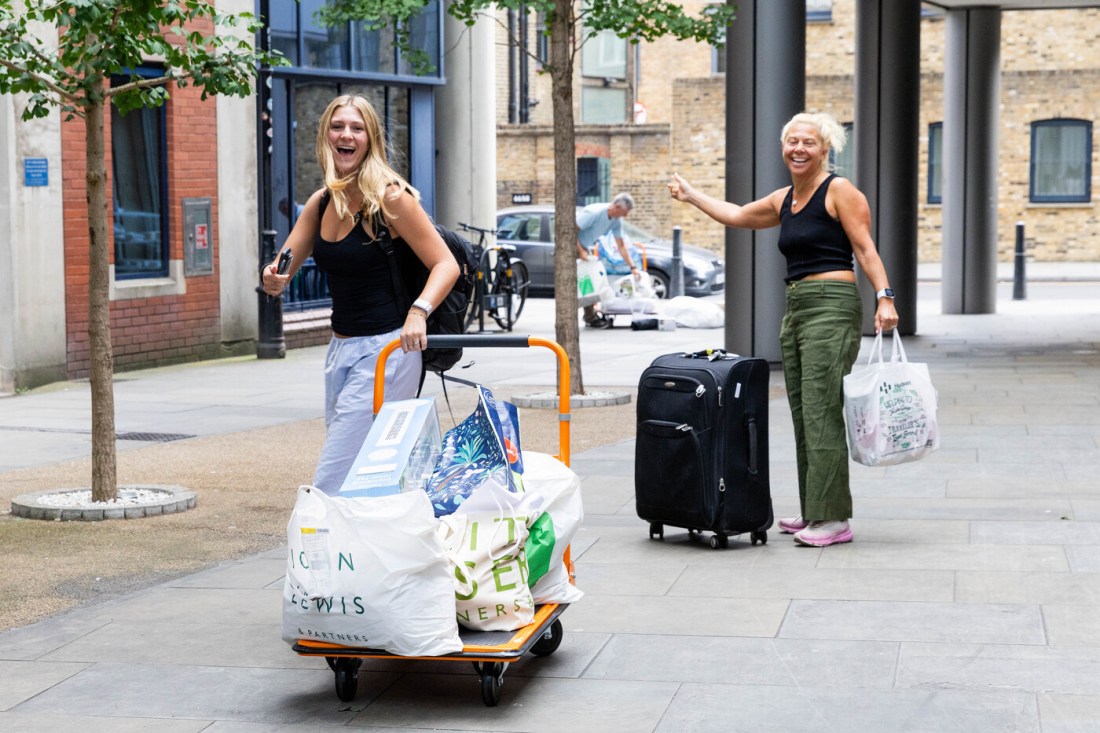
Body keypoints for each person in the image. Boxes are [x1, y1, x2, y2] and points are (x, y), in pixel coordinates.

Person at [668, 111, 899, 547]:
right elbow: (736, 215)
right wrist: (693, 195)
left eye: (808, 142)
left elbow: (865, 248)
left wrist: (885, 297)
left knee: (821, 410)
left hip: (832, 306)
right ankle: (815, 508)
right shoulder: (784, 199)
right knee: (802, 412)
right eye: (791, 141)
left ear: (825, 149)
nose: (798, 148)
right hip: (797, 308)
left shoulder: (840, 192)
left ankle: (833, 518)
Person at [262, 95, 459, 493]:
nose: (346, 135)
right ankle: (386, 548)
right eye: (338, 127)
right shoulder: (321, 203)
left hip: (389, 350)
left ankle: (321, 549)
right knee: (368, 471)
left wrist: (418, 312)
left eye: (357, 128)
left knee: (333, 478)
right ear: (325, 137)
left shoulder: (389, 198)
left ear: (370, 139)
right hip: (340, 351)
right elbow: (284, 262)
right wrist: (273, 277)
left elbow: (446, 264)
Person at [576, 192, 638, 328]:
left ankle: (590, 316)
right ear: (616, 206)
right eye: (625, 212)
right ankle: (584, 316)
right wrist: (580, 252)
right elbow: (569, 231)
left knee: (590, 282)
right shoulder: (594, 213)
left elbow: (621, 246)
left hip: (585, 247)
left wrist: (632, 267)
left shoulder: (616, 220)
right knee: (581, 281)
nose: (626, 216)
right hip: (572, 244)